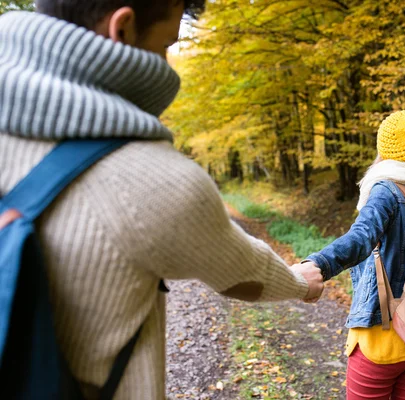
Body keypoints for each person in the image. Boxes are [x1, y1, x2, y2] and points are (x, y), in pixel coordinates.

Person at [0, 1, 323, 398]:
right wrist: (299, 282)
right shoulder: (154, 180)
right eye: (167, 43)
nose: (167, 62)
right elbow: (242, 272)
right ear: (123, 28)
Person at [298, 111, 405, 400]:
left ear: (384, 150)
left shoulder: (385, 190)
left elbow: (360, 239)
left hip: (383, 336)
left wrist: (317, 264)